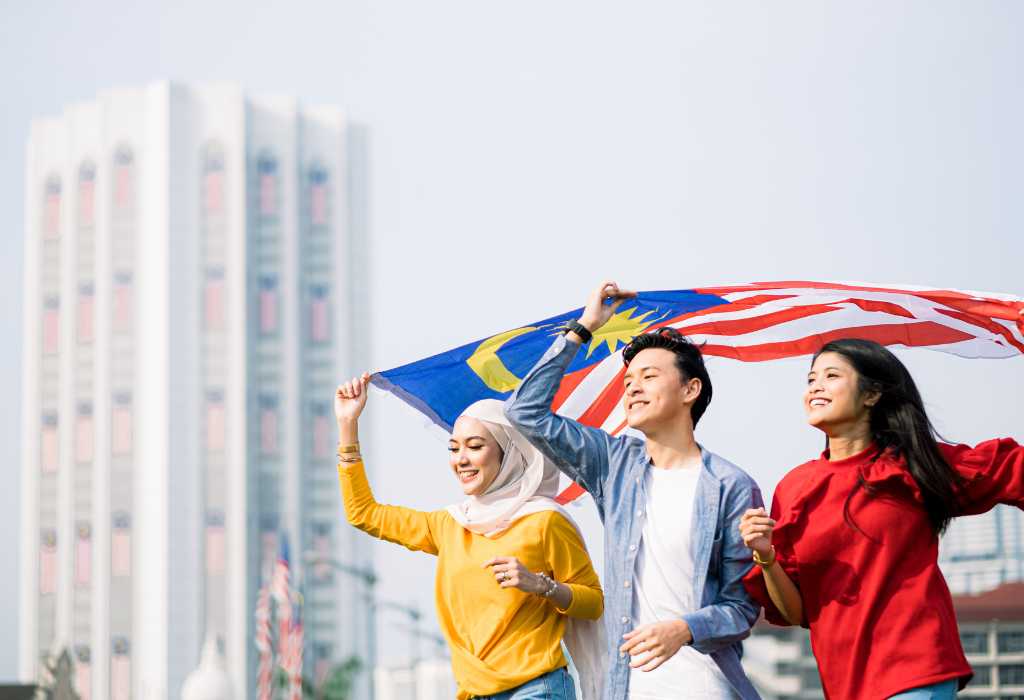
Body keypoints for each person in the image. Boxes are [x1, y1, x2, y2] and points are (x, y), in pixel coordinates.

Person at [505, 281, 764, 700]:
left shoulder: (730, 486)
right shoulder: (615, 465)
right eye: (628, 381)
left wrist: (684, 629)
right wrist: (583, 328)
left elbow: (742, 607)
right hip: (628, 687)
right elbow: (524, 412)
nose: (633, 388)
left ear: (690, 390)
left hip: (703, 685)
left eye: (649, 376)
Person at [739, 336, 1024, 700]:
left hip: (915, 667)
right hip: (845, 681)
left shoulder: (912, 465)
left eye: (831, 376)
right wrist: (765, 555)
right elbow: (795, 613)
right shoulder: (795, 489)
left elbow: (1012, 469)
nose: (816, 388)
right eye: (811, 380)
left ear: (872, 395)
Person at [334, 373, 605, 700]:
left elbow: (593, 602)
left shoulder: (544, 520)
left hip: (537, 689)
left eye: (475, 447)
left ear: (507, 453)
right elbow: (363, 513)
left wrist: (540, 585)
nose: (461, 459)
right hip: (473, 692)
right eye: (454, 448)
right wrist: (348, 425)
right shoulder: (450, 525)